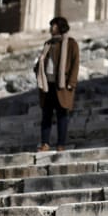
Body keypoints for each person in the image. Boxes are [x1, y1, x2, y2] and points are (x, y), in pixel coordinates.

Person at [34, 16, 80, 152]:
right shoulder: (47, 44)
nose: (51, 28)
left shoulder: (71, 43)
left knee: (62, 115)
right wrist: (37, 68)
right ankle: (45, 143)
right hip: (47, 85)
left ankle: (61, 144)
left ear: (60, 27)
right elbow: (43, 62)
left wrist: (71, 82)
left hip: (62, 86)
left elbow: (75, 64)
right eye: (51, 25)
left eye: (53, 25)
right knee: (46, 116)